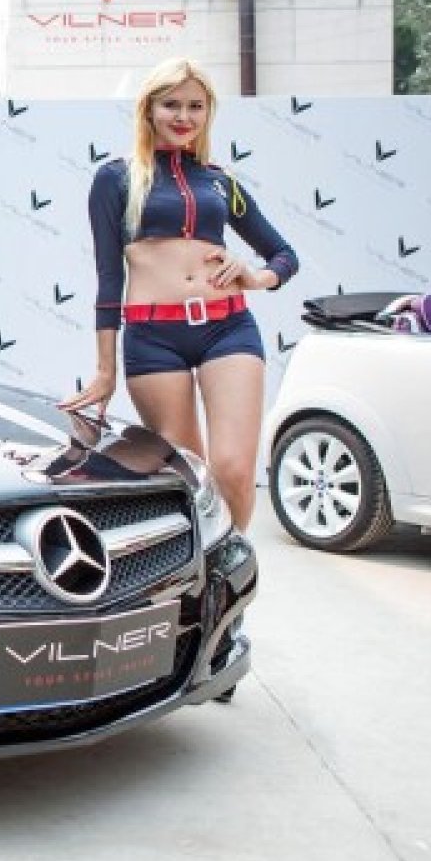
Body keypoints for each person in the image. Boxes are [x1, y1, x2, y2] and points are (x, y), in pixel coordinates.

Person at [60, 58, 298, 531]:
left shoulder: (220, 181)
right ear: (149, 109)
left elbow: (284, 256)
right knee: (190, 475)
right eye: (171, 104)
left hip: (227, 329)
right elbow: (109, 279)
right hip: (153, 338)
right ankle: (202, 568)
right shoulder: (116, 177)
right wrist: (105, 371)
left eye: (195, 106)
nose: (184, 116)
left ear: (208, 112)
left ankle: (233, 563)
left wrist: (256, 277)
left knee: (233, 469)